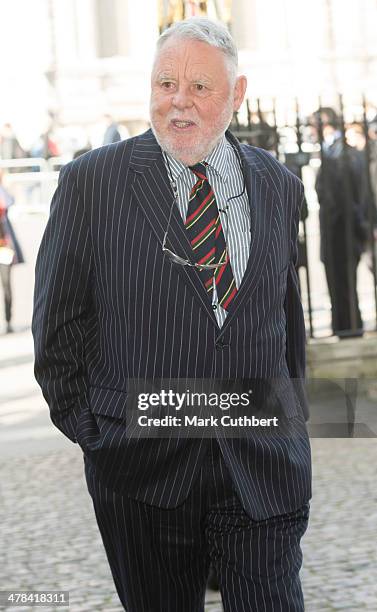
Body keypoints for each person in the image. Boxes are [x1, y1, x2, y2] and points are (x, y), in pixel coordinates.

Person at [32, 18, 311, 611]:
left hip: (260, 469)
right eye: (165, 84)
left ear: (236, 95)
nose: (179, 102)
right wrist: (102, 439)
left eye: (200, 88)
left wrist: (293, 426)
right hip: (143, 476)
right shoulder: (92, 183)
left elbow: (287, 325)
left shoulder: (280, 187)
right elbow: (57, 335)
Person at [314, 108, 370, 338]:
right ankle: (344, 326)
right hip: (335, 231)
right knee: (337, 285)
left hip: (344, 230)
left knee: (346, 284)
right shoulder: (333, 152)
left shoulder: (344, 154)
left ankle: (349, 328)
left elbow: (351, 194)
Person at [0, 170, 24, 333]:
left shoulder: (3, 193)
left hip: (4, 246)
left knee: (7, 285)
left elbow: (10, 202)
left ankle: (8, 320)